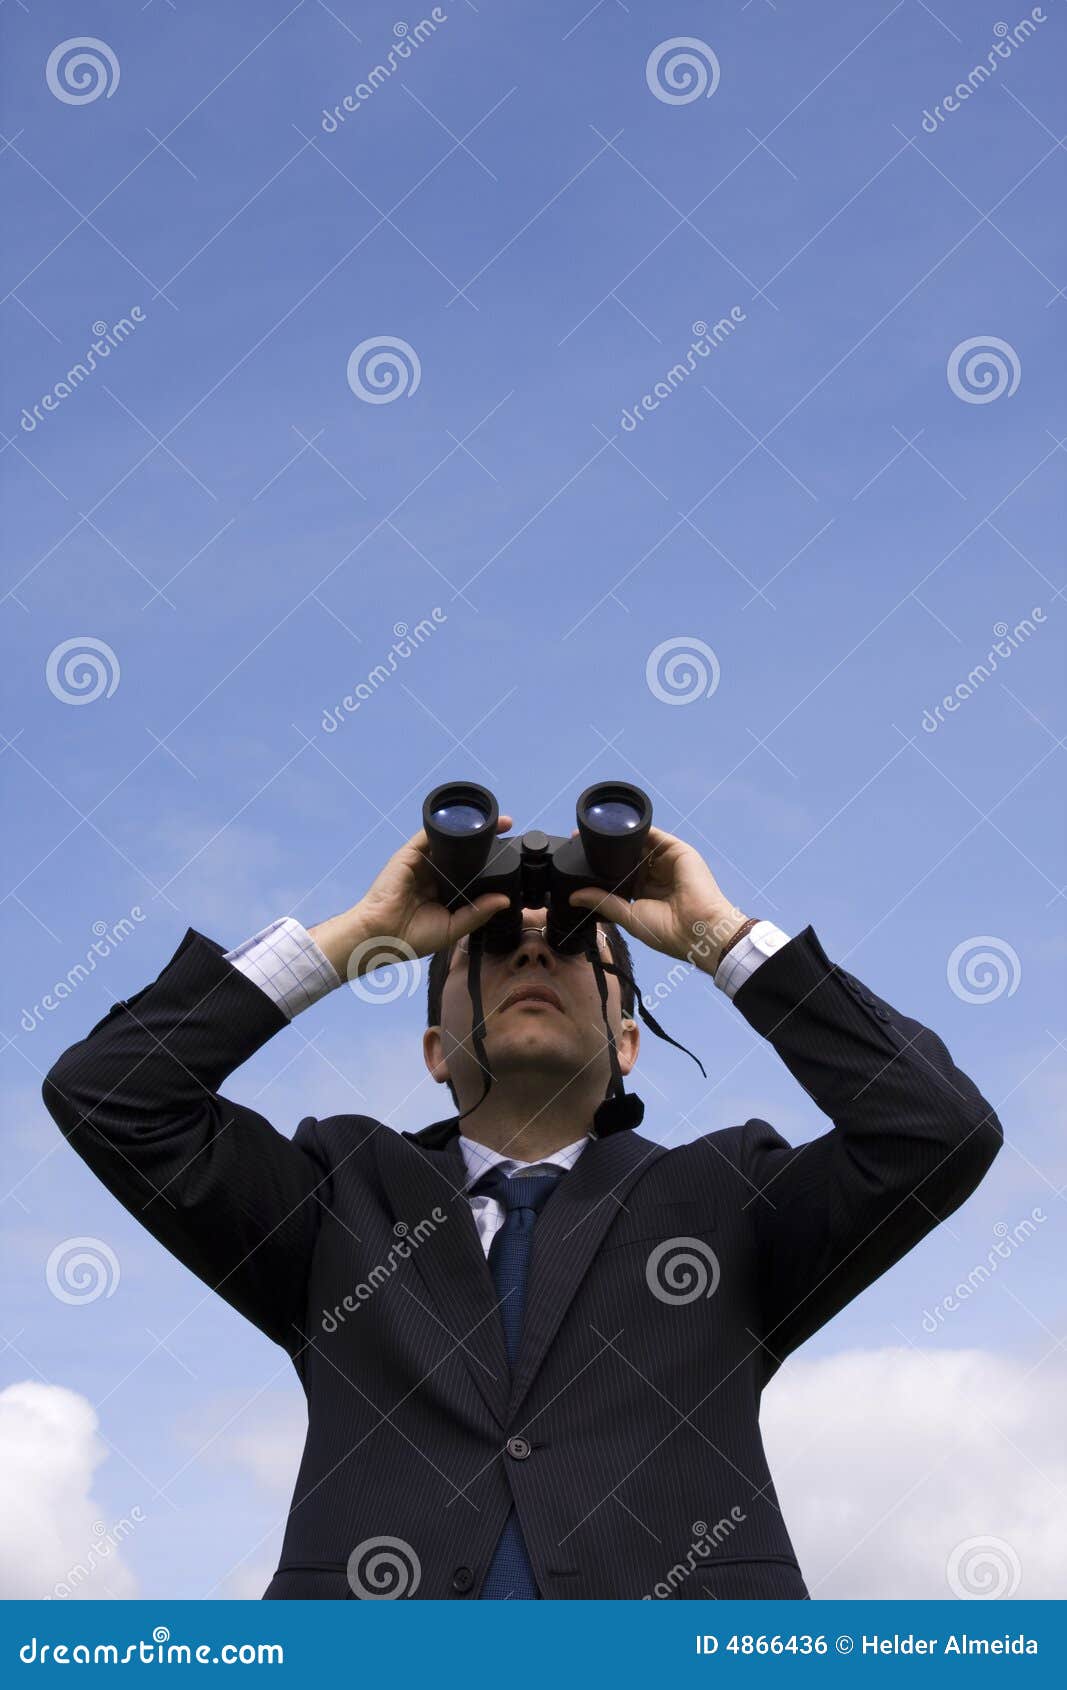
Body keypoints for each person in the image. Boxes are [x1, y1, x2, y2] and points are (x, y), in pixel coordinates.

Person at [42, 815, 1002, 1600]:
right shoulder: (335, 1195)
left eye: (578, 947)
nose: (532, 952)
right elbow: (112, 1094)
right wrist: (358, 936)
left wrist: (717, 940)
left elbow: (936, 1130)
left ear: (630, 1042)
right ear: (432, 1053)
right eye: (488, 947)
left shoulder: (731, 1196)